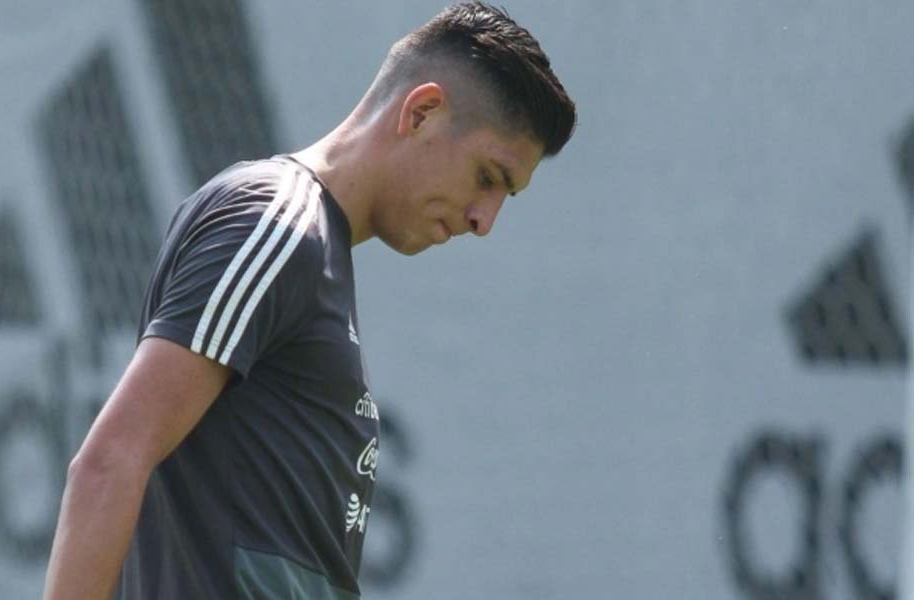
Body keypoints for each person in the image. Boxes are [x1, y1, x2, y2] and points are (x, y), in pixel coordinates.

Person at [42, 2, 576, 598]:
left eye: (505, 195)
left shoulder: (311, 247)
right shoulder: (277, 226)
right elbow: (110, 460)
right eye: (487, 177)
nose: (485, 220)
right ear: (422, 112)